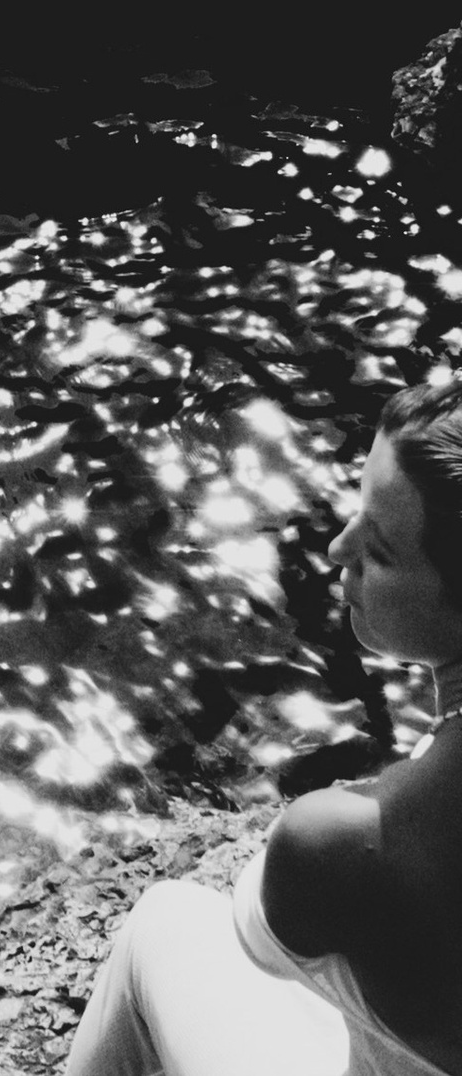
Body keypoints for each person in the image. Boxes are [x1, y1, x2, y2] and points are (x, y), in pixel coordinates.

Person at [64, 372, 462, 1076]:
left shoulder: (354, 837)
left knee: (164, 924)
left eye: (379, 549)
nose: (338, 551)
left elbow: (273, 941)